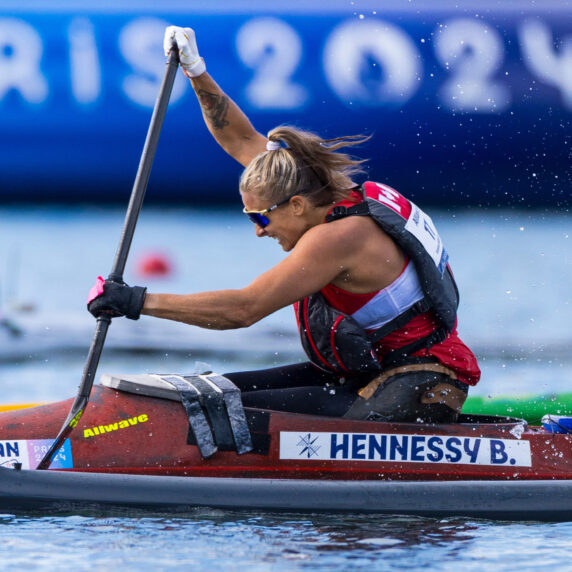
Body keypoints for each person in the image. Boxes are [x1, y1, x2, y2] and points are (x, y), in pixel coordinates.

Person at [87, 25, 481, 423]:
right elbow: (240, 139)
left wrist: (135, 302)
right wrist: (194, 68)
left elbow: (243, 309)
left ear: (294, 205)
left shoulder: (341, 237)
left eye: (261, 217)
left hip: (420, 380)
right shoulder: (316, 188)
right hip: (369, 370)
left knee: (224, 416)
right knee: (207, 396)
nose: (259, 230)